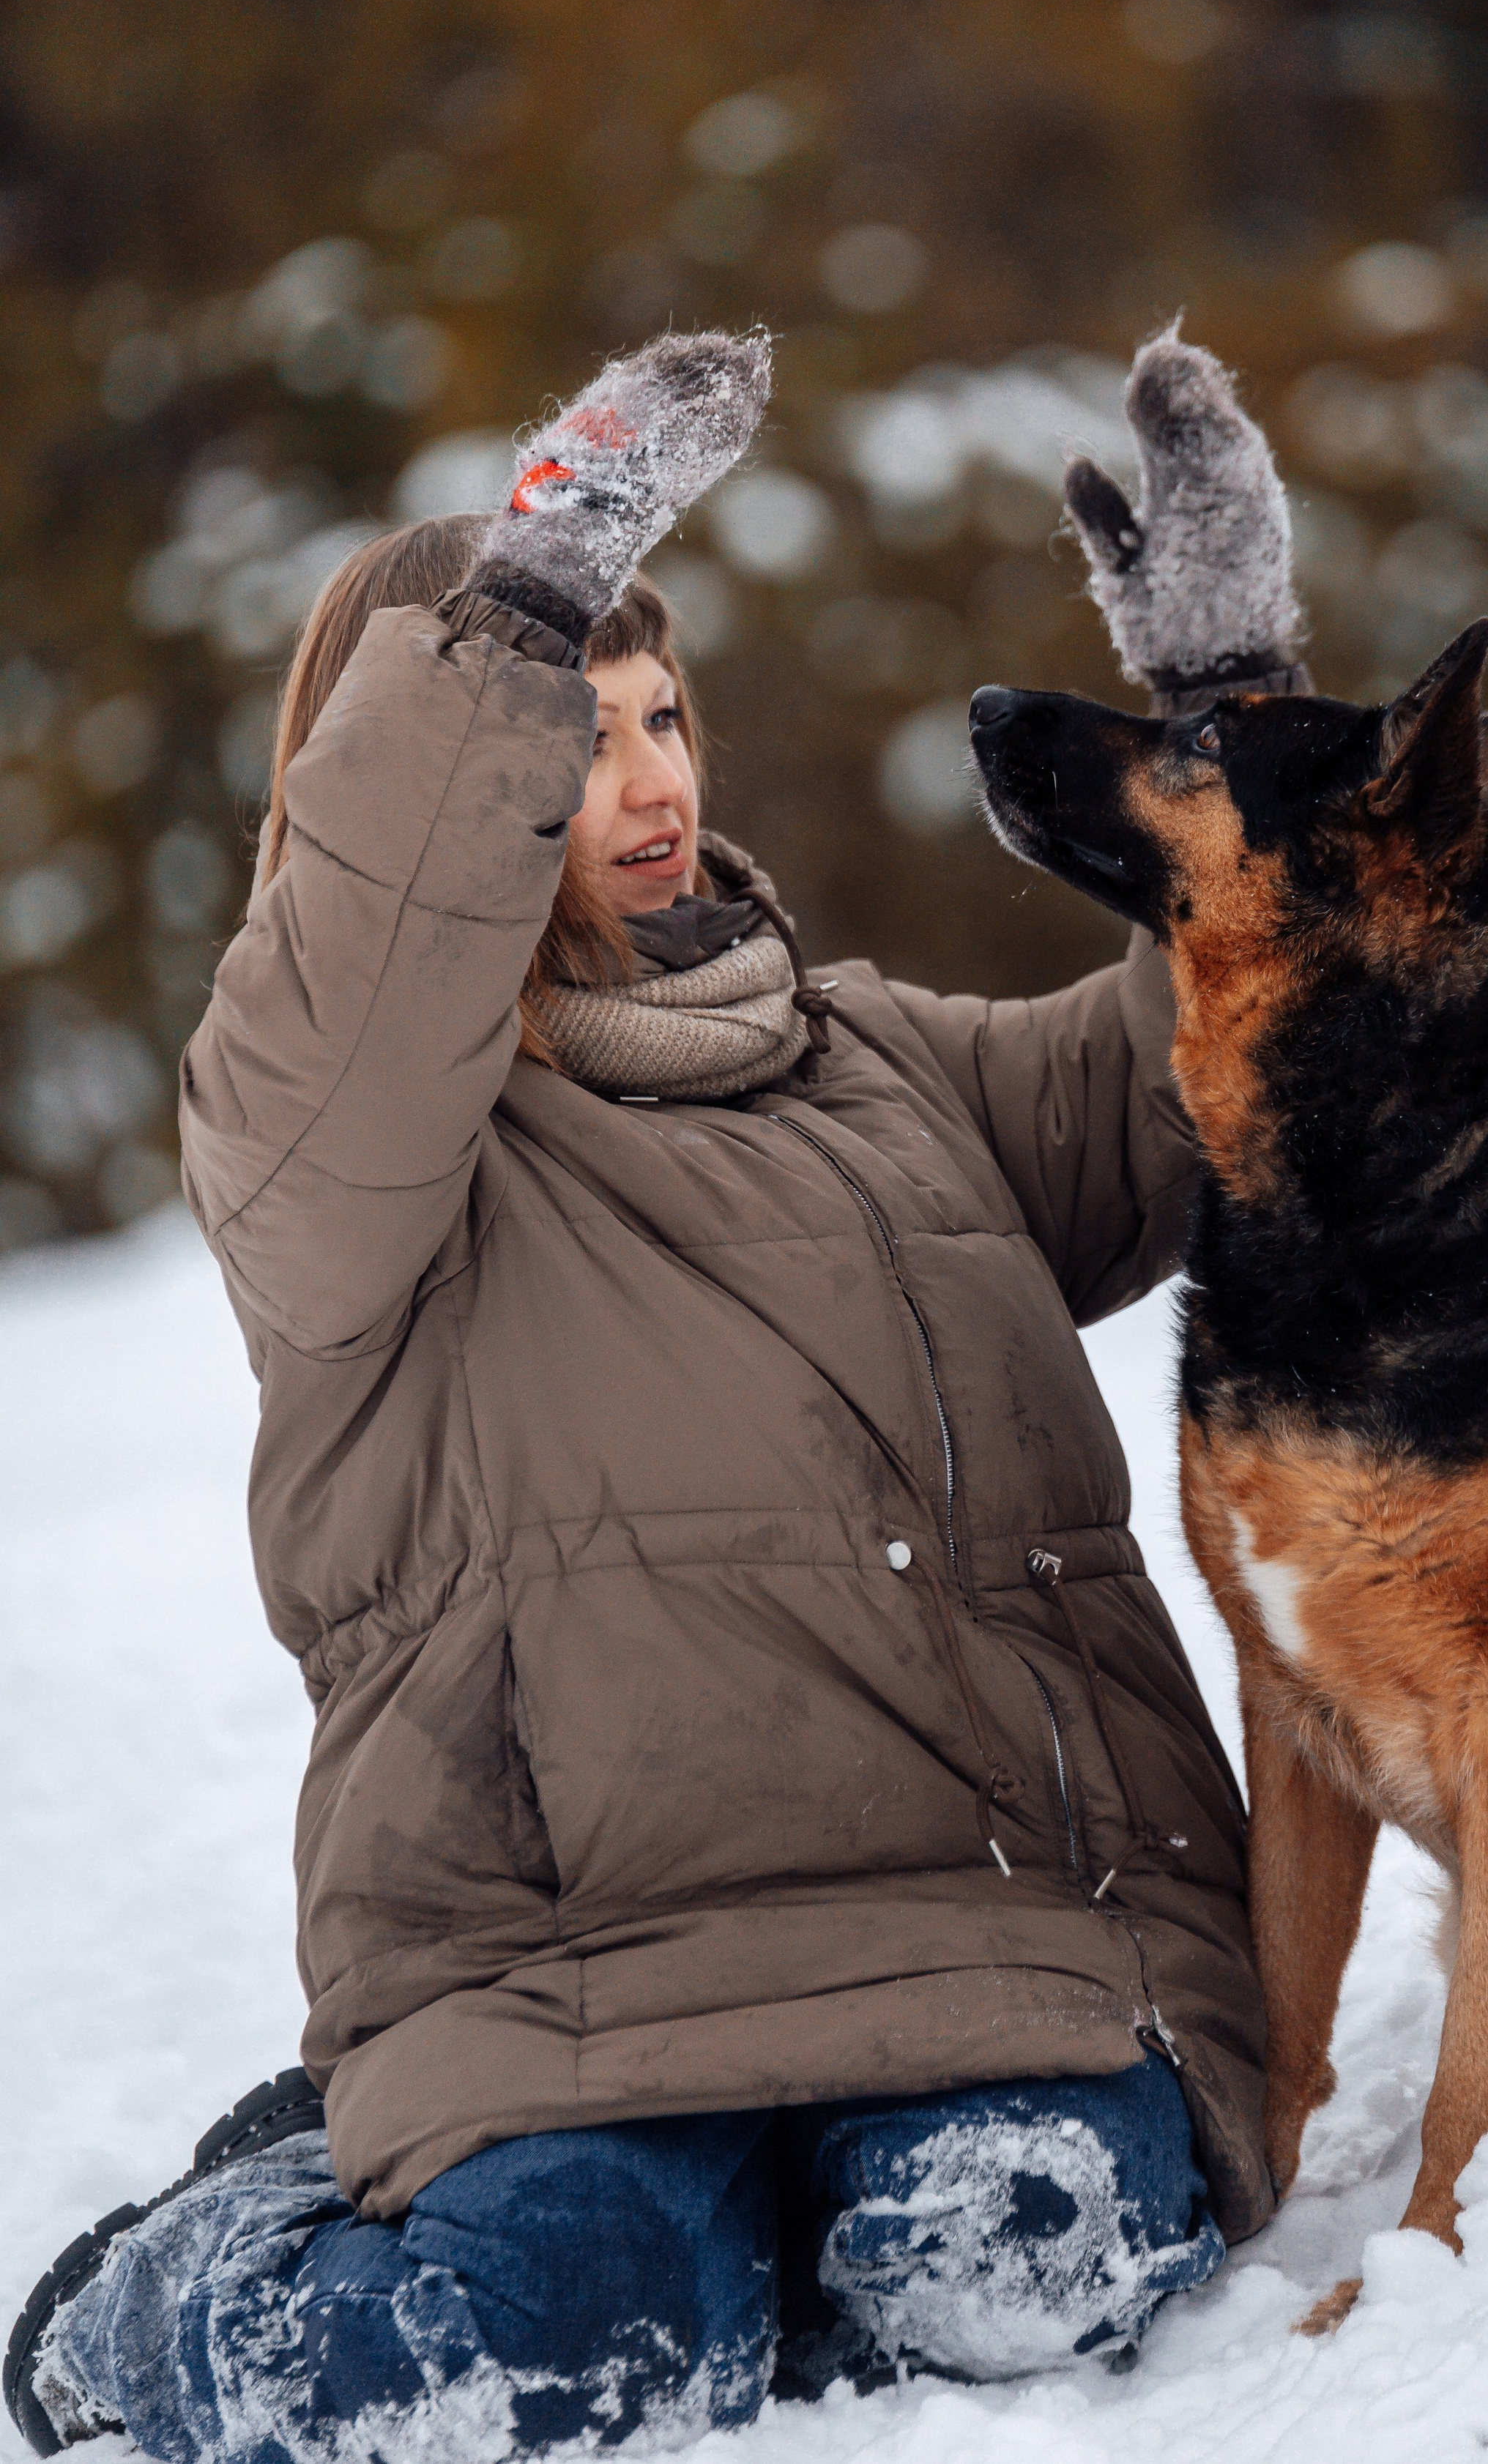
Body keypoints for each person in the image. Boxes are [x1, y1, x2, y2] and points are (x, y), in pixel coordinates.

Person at [8, 327, 1306, 2460]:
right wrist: (504, 614)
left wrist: (1234, 713)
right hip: (575, 1985)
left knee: (1015, 2257)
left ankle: (783, 2223)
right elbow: (351, 1015)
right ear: (418, 781)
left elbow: (1227, 1058)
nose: (647, 780)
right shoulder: (345, 1167)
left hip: (1003, 1937)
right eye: (568, 735)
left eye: (660, 712)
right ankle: (174, 2282)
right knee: (532, 2355)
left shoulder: (883, 1064)